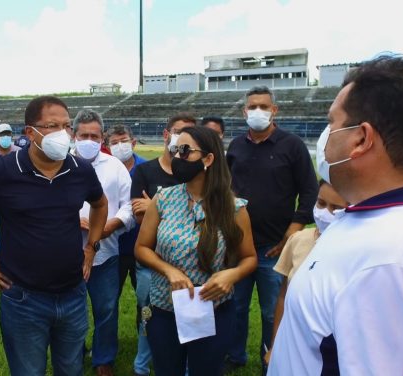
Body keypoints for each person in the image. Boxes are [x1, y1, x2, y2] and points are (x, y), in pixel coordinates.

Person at [269, 56, 403, 374]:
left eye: (333, 122)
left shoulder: (392, 260)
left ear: (361, 139)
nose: (327, 135)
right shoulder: (378, 223)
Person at [0, 96, 108, 376]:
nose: (62, 133)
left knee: (71, 368)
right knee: (28, 371)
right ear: (30, 132)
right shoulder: (2, 171)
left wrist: (92, 247)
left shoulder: (80, 170)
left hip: (72, 294)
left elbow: (100, 203)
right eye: (52, 126)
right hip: (23, 298)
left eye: (66, 126)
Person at [135, 126, 257, 376]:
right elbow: (142, 248)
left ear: (208, 159)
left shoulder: (233, 208)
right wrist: (169, 271)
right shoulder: (163, 199)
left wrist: (231, 276)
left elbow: (249, 258)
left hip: (212, 309)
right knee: (167, 369)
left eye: (186, 151)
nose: (178, 157)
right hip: (164, 308)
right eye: (175, 150)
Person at [225, 85, 318, 372]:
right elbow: (226, 187)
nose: (257, 111)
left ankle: (271, 357)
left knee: (271, 311)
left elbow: (310, 190)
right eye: (252, 106)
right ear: (243, 112)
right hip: (239, 246)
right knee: (236, 307)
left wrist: (293, 230)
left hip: (274, 248)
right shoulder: (236, 147)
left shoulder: (292, 145)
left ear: (274, 110)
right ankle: (234, 356)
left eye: (263, 106)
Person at [129, 113, 196, 376]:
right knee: (149, 317)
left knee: (188, 320)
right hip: (151, 263)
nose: (182, 137)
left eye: (189, 132)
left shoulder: (193, 172)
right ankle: (141, 366)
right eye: (178, 131)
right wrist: (171, 212)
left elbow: (204, 215)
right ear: (166, 134)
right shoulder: (145, 171)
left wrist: (155, 205)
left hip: (190, 265)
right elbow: (139, 215)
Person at [72, 110, 135, 376]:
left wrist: (110, 225)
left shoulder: (114, 167)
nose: (88, 140)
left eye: (94, 136)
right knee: (70, 312)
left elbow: (129, 207)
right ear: (73, 136)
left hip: (105, 253)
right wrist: (73, 220)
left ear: (102, 138)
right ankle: (72, 355)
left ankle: (103, 358)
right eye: (83, 135)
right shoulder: (60, 164)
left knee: (106, 309)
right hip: (66, 253)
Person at [263, 180, 347, 365]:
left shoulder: (354, 250)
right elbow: (283, 297)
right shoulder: (298, 240)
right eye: (321, 203)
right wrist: (275, 345)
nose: (326, 213)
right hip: (294, 342)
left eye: (336, 208)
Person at [106, 124, 147, 296]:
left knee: (146, 298)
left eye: (124, 141)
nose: (120, 146)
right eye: (114, 143)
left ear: (134, 142)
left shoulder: (147, 169)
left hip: (143, 245)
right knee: (110, 297)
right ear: (108, 147)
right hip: (114, 246)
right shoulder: (105, 169)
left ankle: (143, 323)